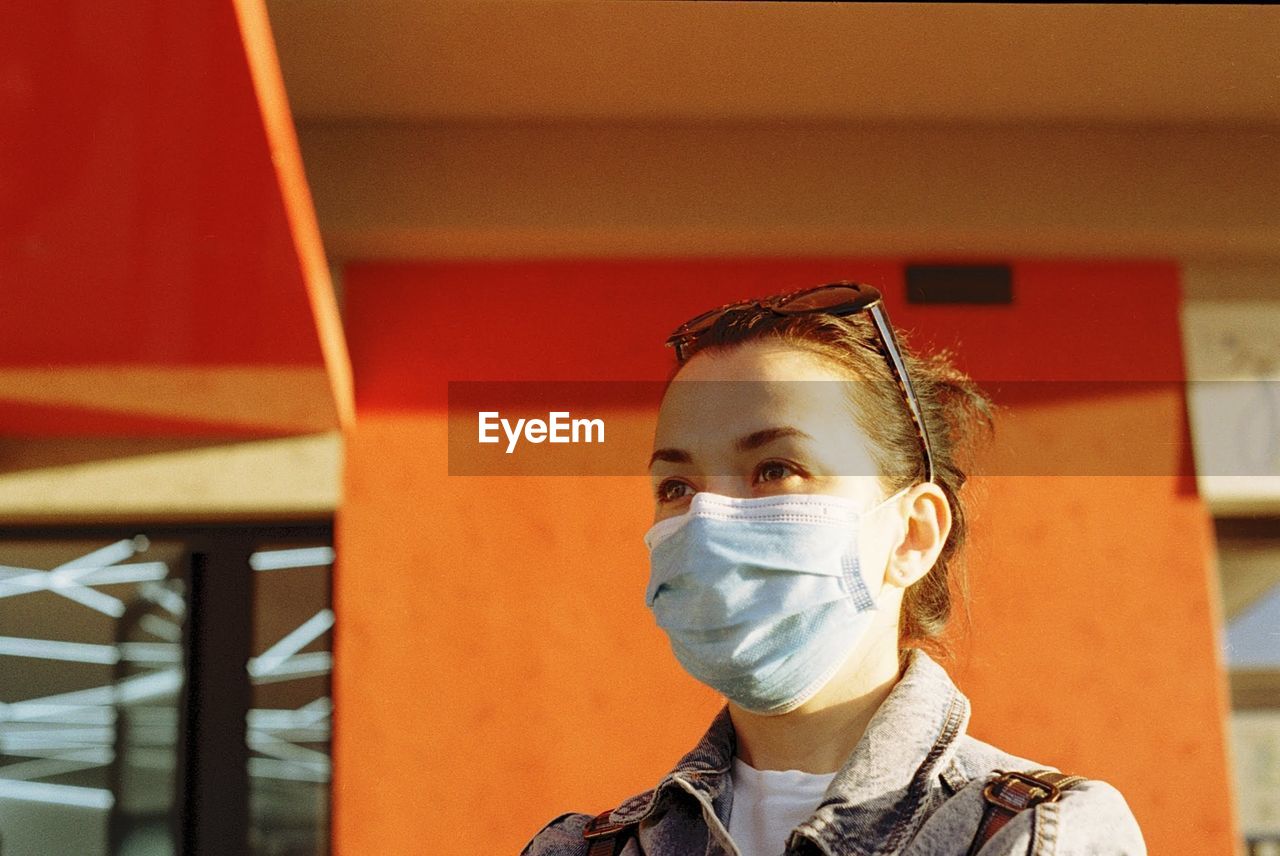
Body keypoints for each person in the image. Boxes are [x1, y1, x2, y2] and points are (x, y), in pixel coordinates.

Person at [522, 282, 1145, 856]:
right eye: (677, 486)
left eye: (775, 470)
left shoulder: (1040, 834)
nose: (708, 519)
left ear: (911, 534)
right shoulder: (579, 848)